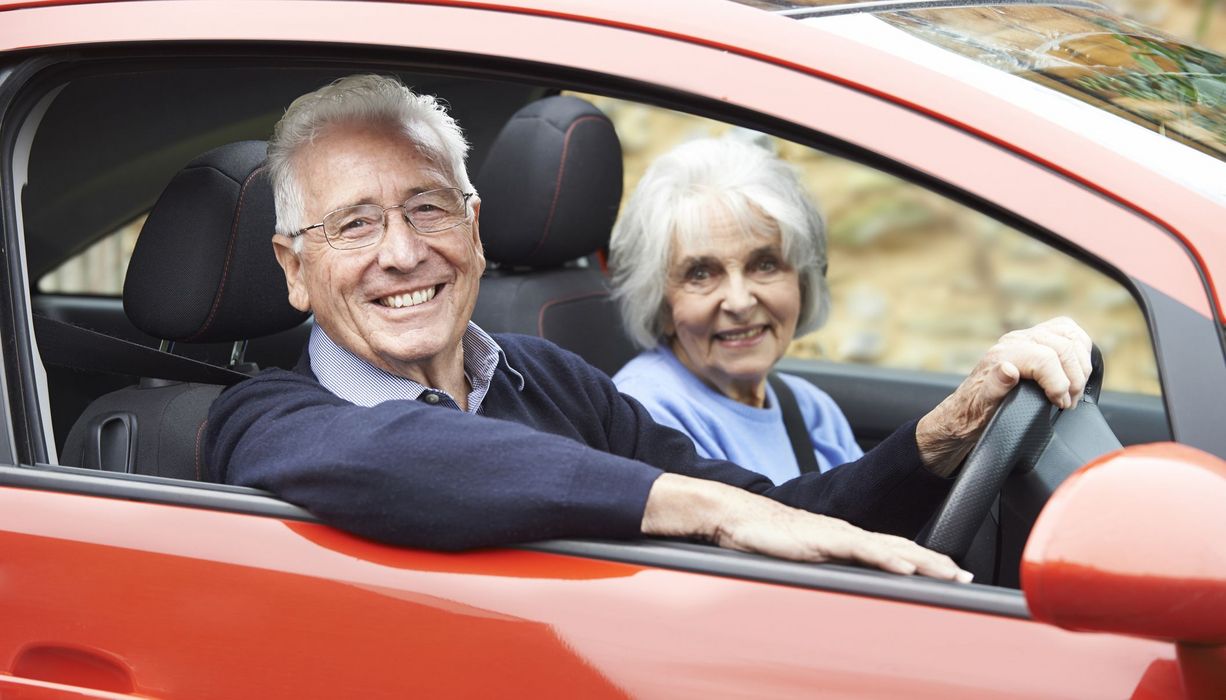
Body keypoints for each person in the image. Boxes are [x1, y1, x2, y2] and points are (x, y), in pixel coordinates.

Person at [204, 74, 1093, 583]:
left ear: (474, 230)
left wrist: (948, 431)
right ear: (292, 269)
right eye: (354, 225)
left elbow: (780, 516)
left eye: (429, 208)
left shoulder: (546, 377)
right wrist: (700, 512)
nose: (402, 252)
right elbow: (405, 453)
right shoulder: (264, 419)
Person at [611, 136, 859, 484]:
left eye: (765, 265)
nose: (740, 302)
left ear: (802, 281)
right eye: (700, 273)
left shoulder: (810, 407)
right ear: (660, 302)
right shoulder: (645, 416)